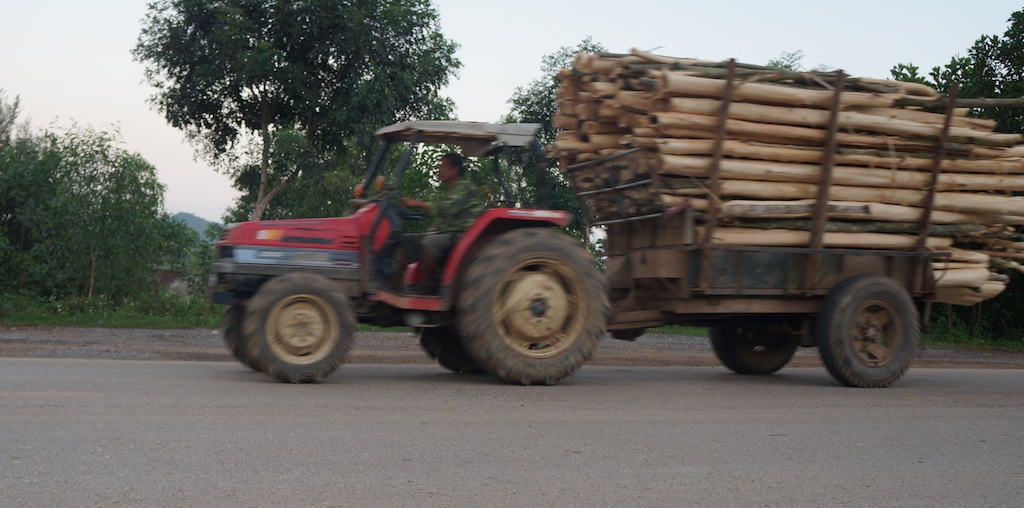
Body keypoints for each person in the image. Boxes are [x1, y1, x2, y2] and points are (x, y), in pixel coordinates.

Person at [397, 153, 485, 293]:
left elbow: (446, 208)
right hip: (449, 232)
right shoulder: (452, 190)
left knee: (431, 242)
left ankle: (427, 285)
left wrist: (416, 203)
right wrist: (436, 225)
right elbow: (445, 217)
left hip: (463, 235)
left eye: (443, 167)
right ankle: (394, 285)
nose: (439, 170)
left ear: (455, 170)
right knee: (407, 240)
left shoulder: (465, 188)